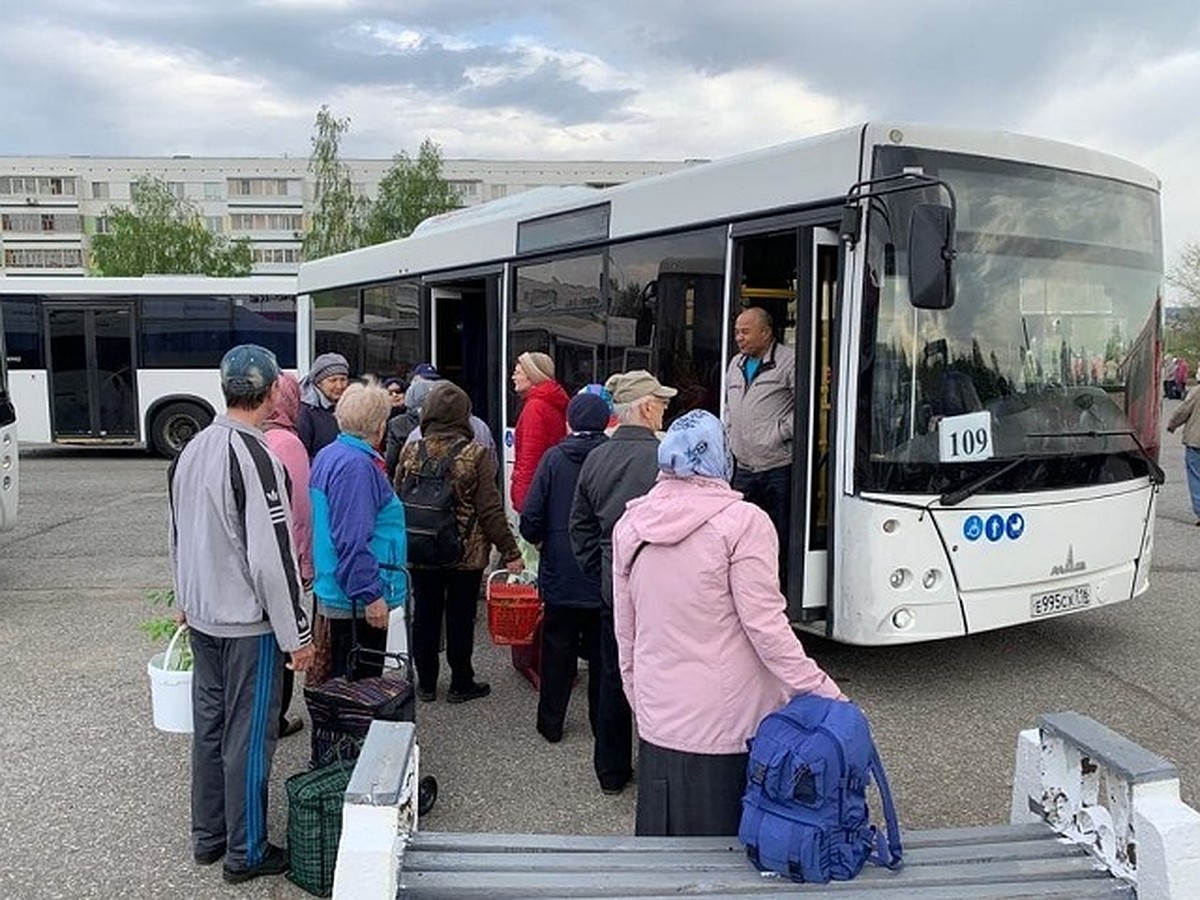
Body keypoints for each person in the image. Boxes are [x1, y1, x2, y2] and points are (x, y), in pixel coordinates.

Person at [612, 409, 845, 836]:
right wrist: (822, 691)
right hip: (731, 725)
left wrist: (641, 701)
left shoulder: (632, 524)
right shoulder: (744, 523)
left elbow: (626, 632)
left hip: (660, 722)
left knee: (666, 857)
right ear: (721, 455)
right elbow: (766, 627)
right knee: (727, 858)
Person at [167, 344, 314, 884]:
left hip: (203, 617)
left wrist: (183, 598)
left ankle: (208, 837)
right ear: (273, 391)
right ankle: (246, 850)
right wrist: (297, 632)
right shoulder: (257, 456)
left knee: (209, 729)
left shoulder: (191, 449)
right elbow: (272, 558)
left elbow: (176, 534)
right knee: (249, 739)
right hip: (248, 627)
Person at [570, 369, 676, 794]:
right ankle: (660, 764)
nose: (664, 410)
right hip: (661, 586)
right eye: (662, 403)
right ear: (647, 407)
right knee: (662, 678)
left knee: (612, 675)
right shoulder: (666, 457)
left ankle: (611, 770)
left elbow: (578, 525)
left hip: (612, 586)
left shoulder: (596, 456)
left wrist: (600, 574)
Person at [396, 383, 523, 703]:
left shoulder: (412, 450)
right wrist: (510, 551)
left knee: (425, 613)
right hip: (464, 553)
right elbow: (489, 509)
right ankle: (460, 681)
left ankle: (425, 683)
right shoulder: (475, 454)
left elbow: (397, 494)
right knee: (460, 616)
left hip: (421, 547)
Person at [519, 392, 610, 743]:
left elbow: (532, 514)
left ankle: (551, 723)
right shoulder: (611, 457)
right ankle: (603, 726)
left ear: (570, 421)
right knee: (603, 657)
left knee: (558, 650)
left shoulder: (554, 458)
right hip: (602, 571)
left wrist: (541, 540)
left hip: (561, 569)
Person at [309, 383, 408, 681]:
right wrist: (370, 595)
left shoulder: (331, 454)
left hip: (338, 586)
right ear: (379, 426)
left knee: (340, 681)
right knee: (358, 687)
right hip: (353, 596)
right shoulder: (357, 467)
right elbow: (352, 538)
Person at [260, 372, 313, 739]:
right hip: (283, 560)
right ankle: (275, 720)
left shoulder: (252, 437)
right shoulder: (288, 444)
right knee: (284, 642)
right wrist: (305, 563)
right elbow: (300, 514)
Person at [725, 306, 795, 581]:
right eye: (736, 332)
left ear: (766, 333)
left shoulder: (789, 361)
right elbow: (730, 406)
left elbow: (805, 408)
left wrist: (778, 432)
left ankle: (778, 589)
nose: (738, 338)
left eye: (745, 332)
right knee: (741, 537)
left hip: (777, 466)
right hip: (743, 468)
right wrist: (731, 432)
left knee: (778, 536)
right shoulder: (735, 363)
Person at [510, 351, 569, 513]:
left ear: (532, 375)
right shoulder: (552, 402)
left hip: (533, 496)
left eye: (517, 373)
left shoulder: (534, 407)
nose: (513, 378)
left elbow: (529, 459)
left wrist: (522, 502)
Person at [384, 369, 439, 479]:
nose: (395, 396)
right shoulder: (387, 421)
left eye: (398, 391)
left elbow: (390, 462)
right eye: (390, 393)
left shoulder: (397, 424)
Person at [298, 352, 350, 458]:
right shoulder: (306, 412)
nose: (339, 386)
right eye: (333, 380)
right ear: (318, 383)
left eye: (343, 379)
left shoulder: (348, 406)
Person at [1168, 382, 1200, 525]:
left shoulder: (1197, 391)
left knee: (1195, 476)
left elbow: (1184, 410)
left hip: (1196, 441)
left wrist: (1172, 424)